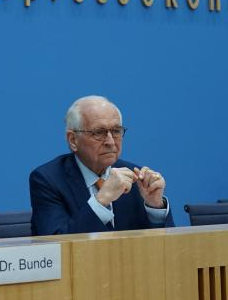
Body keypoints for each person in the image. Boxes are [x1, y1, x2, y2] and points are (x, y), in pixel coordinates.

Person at [30, 95, 173, 235]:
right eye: (99, 132)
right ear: (73, 140)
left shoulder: (136, 178)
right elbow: (55, 246)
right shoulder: (47, 180)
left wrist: (155, 207)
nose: (110, 142)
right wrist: (101, 200)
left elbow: (167, 250)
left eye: (116, 131)